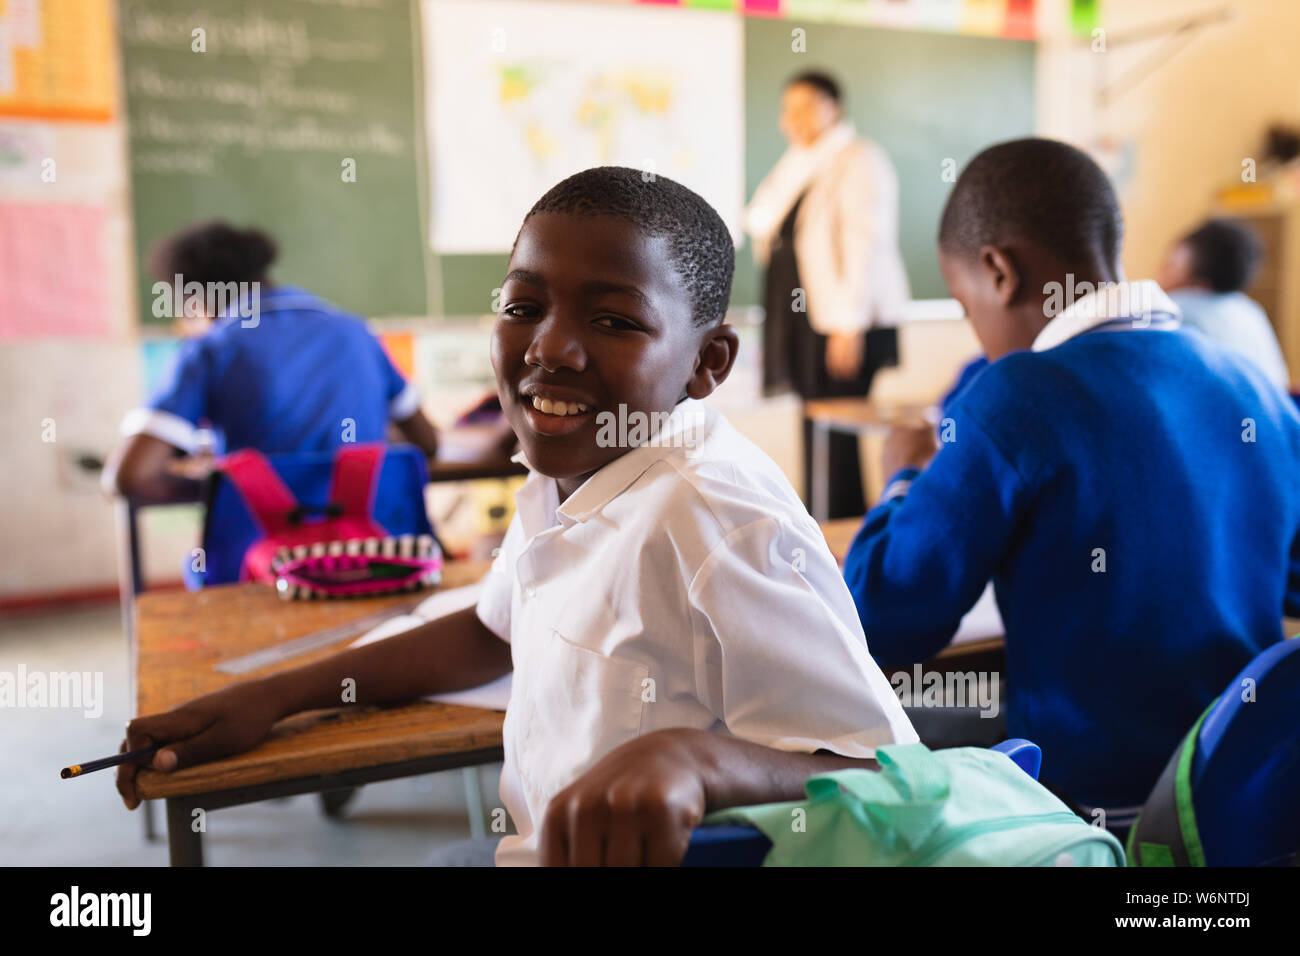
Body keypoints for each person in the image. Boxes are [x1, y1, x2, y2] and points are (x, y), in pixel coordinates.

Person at [115, 168, 917, 866]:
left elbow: (885, 777)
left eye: (614, 321)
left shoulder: (715, 519)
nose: (550, 349)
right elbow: (487, 631)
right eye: (523, 305)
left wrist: (696, 760)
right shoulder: (567, 468)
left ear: (707, 364)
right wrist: (271, 696)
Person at [842, 139, 1300, 829]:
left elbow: (882, 618)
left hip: (1089, 811)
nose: (979, 334)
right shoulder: (1255, 388)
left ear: (998, 272)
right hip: (1240, 801)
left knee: (849, 738)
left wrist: (902, 477)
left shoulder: (1013, 397)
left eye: (966, 307)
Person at [103, 221, 439, 503]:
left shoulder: (212, 349)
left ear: (195, 303)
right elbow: (427, 442)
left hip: (268, 561)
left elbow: (128, 478)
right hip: (381, 550)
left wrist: (230, 484)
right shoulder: (356, 331)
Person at [745, 71, 910, 518]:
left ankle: (842, 536)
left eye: (805, 107)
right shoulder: (802, 162)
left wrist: (847, 325)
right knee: (816, 424)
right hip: (807, 320)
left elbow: (864, 244)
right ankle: (820, 527)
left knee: (835, 432)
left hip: (842, 323)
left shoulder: (858, 160)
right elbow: (761, 218)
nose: (791, 119)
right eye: (786, 109)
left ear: (833, 107)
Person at [1157, 217, 1290, 388]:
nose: (1158, 275)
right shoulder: (1250, 309)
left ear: (1198, 282)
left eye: (1168, 266)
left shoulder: (1174, 309)